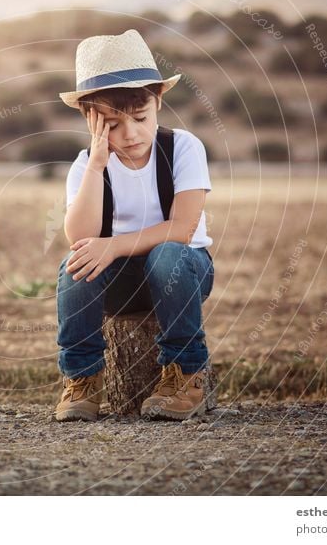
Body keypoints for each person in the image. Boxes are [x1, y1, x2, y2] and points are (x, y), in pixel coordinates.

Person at [54, 29, 215, 422]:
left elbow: (182, 228)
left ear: (158, 100)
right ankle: (83, 379)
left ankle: (185, 374)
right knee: (76, 264)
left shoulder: (183, 147)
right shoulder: (85, 166)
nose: (130, 134)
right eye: (110, 124)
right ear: (88, 120)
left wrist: (114, 245)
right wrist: (96, 165)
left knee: (168, 254)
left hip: (184, 271)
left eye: (141, 118)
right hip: (120, 285)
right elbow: (80, 237)